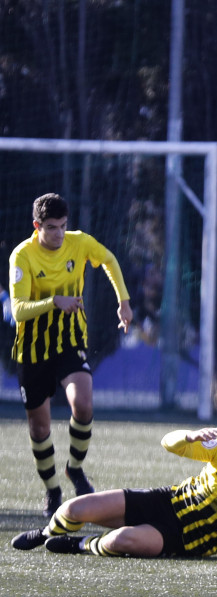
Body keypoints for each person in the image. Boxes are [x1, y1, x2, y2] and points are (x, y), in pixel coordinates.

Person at [11, 418, 217, 562]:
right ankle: (47, 533)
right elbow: (168, 443)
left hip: (184, 540)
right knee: (75, 508)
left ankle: (81, 544)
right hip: (167, 501)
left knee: (122, 539)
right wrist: (190, 436)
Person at [8, 193, 133, 517]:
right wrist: (54, 302)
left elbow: (109, 260)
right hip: (33, 351)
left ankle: (74, 469)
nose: (59, 234)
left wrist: (123, 301)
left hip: (69, 341)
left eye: (63, 226)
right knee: (39, 429)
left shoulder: (78, 243)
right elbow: (19, 311)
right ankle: (52, 491)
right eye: (52, 228)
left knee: (83, 404)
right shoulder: (22, 256)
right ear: (37, 226)